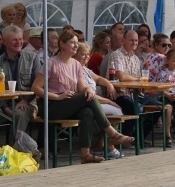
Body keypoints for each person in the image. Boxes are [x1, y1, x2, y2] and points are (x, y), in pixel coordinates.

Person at [32, 30, 134, 164]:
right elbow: (36, 88)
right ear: (62, 44)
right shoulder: (51, 63)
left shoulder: (75, 64)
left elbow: (82, 87)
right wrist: (57, 97)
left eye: (76, 43)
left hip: (69, 103)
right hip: (51, 104)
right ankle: (111, 132)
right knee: (85, 98)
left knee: (88, 111)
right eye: (72, 43)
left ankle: (85, 154)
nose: (76, 45)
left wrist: (88, 90)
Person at [0, 26, 42, 143]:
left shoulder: (32, 58)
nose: (19, 42)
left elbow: (38, 85)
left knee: (20, 114)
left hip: (29, 102)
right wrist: (5, 108)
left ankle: (14, 148)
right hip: (5, 104)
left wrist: (25, 100)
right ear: (4, 41)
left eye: (20, 39)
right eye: (14, 40)